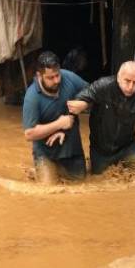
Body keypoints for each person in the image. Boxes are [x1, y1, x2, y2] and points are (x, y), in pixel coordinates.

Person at [22, 51, 89, 184]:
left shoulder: (68, 77)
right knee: (49, 189)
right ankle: (43, 169)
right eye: (51, 77)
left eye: (57, 75)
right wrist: (59, 124)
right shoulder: (32, 97)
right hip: (46, 154)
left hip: (71, 147)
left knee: (81, 181)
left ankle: (51, 171)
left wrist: (84, 104)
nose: (57, 80)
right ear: (39, 75)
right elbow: (29, 134)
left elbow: (95, 92)